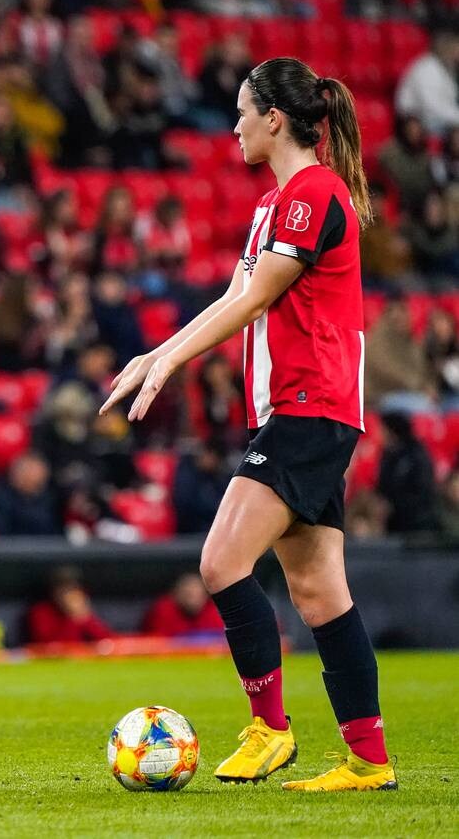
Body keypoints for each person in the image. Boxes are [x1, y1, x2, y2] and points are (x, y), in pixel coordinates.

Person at [101, 58, 396, 791]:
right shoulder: (274, 207)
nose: (231, 125)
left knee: (220, 563)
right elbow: (236, 293)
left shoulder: (312, 195)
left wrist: (168, 364)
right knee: (321, 591)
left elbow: (255, 299)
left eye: (241, 111)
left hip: (313, 406)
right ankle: (368, 760)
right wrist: (155, 352)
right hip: (301, 410)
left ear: (274, 118)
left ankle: (271, 731)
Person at [142, 573, 225, 638]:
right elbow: (154, 641)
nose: (193, 600)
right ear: (177, 594)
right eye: (188, 594)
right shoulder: (164, 611)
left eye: (198, 594)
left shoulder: (215, 612)